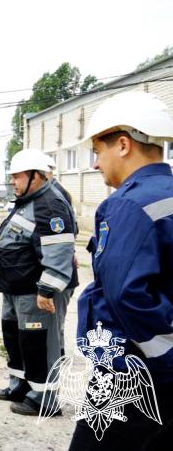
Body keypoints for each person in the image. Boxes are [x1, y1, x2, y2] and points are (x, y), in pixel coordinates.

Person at [68, 91, 173, 449]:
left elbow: (126, 297)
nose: (96, 164)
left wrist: (164, 359)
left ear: (124, 145)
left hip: (134, 373)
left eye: (98, 152)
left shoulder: (127, 205)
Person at [0, 148, 75, 416]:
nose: (12, 182)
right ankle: (21, 384)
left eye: (17, 177)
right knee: (18, 339)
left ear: (35, 176)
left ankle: (45, 399)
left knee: (42, 342)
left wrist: (47, 290)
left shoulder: (50, 205)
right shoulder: (29, 200)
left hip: (36, 290)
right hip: (16, 288)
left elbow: (59, 253)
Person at [43, 154, 80, 357]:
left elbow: (66, 230)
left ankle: (56, 355)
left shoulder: (55, 194)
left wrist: (70, 251)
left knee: (55, 319)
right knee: (56, 320)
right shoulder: (53, 191)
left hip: (61, 271)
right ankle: (58, 350)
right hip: (62, 266)